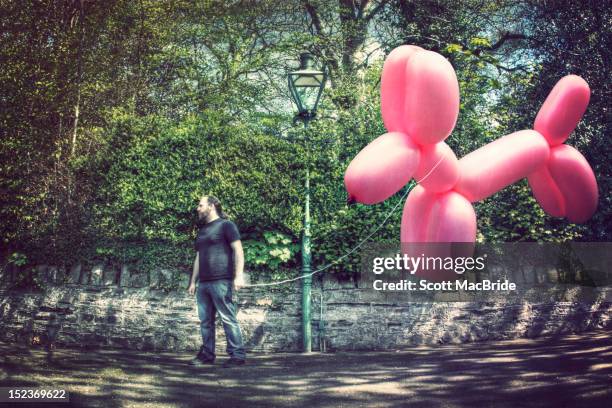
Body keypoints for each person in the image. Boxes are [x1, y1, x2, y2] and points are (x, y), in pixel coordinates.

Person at [188, 195, 246, 367]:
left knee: (228, 318)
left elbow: (238, 250)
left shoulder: (226, 225)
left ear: (211, 206)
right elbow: (198, 257)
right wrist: (193, 282)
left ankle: (237, 356)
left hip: (222, 281)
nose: (197, 208)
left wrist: (239, 275)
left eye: (200, 205)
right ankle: (207, 354)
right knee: (205, 321)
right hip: (203, 283)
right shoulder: (203, 231)